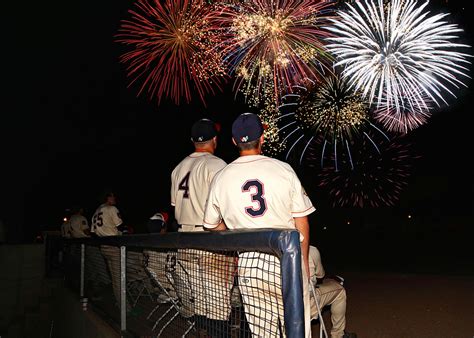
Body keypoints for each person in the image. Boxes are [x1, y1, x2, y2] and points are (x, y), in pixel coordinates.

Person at [203, 112, 315, 338]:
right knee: (296, 331)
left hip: (251, 265)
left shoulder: (222, 176)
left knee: (263, 333)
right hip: (286, 261)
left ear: (234, 142)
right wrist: (303, 264)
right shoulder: (283, 169)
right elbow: (301, 219)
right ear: (262, 138)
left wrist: (233, 235)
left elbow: (211, 226)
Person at [170, 117, 235, 336]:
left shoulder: (178, 168)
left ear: (192, 140)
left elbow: (174, 206)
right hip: (210, 240)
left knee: (199, 302)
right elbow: (227, 205)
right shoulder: (216, 164)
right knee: (217, 306)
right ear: (214, 140)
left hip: (184, 239)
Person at [90, 191, 129, 309]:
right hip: (113, 246)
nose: (114, 198)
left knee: (114, 277)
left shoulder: (96, 211)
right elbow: (120, 225)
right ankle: (124, 307)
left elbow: (93, 232)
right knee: (119, 278)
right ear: (107, 198)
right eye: (112, 196)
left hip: (104, 247)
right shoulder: (111, 208)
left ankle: (120, 302)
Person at [309, 245, 357, 338]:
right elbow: (320, 275)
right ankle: (338, 335)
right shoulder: (310, 250)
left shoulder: (272, 248)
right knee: (340, 291)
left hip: (278, 305)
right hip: (305, 304)